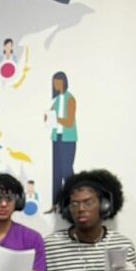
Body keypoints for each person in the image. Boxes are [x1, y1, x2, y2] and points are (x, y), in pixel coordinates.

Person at [43, 169, 136, 271]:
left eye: (88, 202)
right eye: (74, 204)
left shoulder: (122, 244)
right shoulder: (51, 245)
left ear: (104, 205)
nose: (80, 209)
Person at [46, 71, 76, 206]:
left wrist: (56, 118)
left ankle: (73, 201)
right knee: (56, 173)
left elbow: (69, 122)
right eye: (54, 83)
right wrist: (47, 117)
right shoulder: (57, 100)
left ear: (64, 82)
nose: (56, 85)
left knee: (66, 171)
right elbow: (50, 115)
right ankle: (55, 204)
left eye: (58, 82)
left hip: (67, 140)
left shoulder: (70, 99)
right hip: (56, 138)